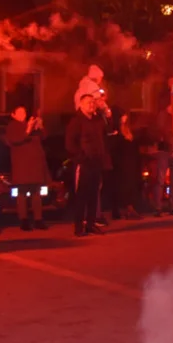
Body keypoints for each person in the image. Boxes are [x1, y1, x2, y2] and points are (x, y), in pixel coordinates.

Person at [66, 91, 111, 236]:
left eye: (93, 103)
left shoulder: (98, 120)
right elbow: (70, 144)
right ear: (81, 105)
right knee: (82, 195)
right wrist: (81, 158)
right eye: (88, 103)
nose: (91, 105)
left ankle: (90, 224)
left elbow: (106, 134)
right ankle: (78, 225)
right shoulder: (76, 121)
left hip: (97, 161)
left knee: (93, 194)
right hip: (84, 163)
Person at [4, 106, 50, 231]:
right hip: (22, 166)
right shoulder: (12, 127)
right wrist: (28, 129)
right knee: (22, 194)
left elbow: (44, 137)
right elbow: (15, 140)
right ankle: (23, 220)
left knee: (36, 193)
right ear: (13, 115)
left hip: (35, 165)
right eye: (19, 112)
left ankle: (38, 219)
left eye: (24, 112)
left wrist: (40, 126)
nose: (23, 114)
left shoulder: (30, 124)